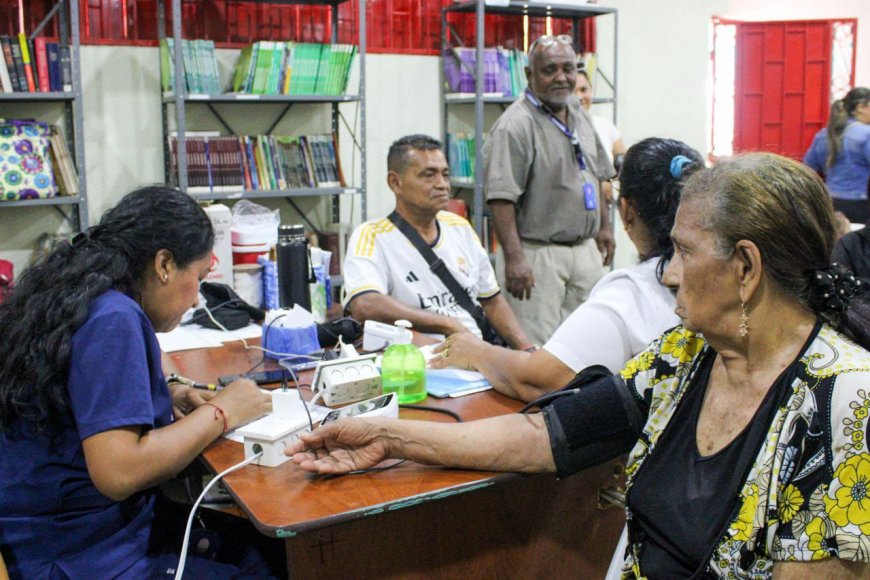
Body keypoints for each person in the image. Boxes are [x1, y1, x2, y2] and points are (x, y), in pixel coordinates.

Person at [288, 153, 870, 578]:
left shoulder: (844, 404)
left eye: (684, 252)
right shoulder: (685, 356)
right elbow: (546, 434)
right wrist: (389, 437)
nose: (668, 273)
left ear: (746, 268)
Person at [0, 186, 274, 578]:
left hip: (57, 531)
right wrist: (222, 411)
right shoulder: (114, 317)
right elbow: (119, 473)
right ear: (164, 264)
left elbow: (97, 387)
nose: (197, 300)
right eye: (198, 278)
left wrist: (166, 392)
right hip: (83, 552)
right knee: (269, 562)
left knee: (261, 548)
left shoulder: (82, 293)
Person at [430, 138, 701, 402]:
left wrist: (477, 352)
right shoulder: (715, 278)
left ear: (627, 210)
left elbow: (541, 381)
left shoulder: (629, 296)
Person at [484, 34, 616, 345]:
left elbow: (596, 172)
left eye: (568, 69)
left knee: (589, 343)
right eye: (549, 70)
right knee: (538, 349)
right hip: (536, 254)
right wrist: (515, 259)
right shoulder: (514, 125)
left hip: (584, 249)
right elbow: (501, 198)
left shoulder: (578, 112)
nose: (561, 77)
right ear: (529, 74)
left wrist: (604, 226)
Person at [343, 134, 531, 349]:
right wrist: (448, 324)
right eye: (428, 175)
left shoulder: (459, 227)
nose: (442, 185)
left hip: (475, 351)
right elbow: (365, 304)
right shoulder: (372, 236)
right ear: (395, 182)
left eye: (445, 175)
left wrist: (527, 350)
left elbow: (492, 301)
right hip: (419, 356)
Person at [804, 87, 870, 223]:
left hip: (830, 203)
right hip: (861, 204)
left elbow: (807, 168)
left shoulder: (824, 134)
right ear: (861, 107)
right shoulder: (866, 134)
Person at [575, 67, 626, 205]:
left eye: (583, 90)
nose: (579, 97)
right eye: (573, 92)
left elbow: (623, 166)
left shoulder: (606, 126)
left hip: (603, 206)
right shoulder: (558, 129)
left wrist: (609, 182)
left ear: (591, 90)